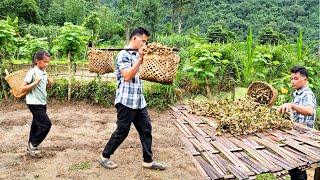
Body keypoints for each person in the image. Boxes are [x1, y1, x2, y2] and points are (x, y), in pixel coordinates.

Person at [98, 27, 165, 170]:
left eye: (146, 42)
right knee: (122, 131)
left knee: (146, 129)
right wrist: (140, 58)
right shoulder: (123, 54)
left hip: (139, 101)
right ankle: (104, 156)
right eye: (143, 41)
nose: (145, 45)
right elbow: (127, 76)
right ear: (135, 38)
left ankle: (148, 161)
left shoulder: (139, 54)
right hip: (126, 101)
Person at [279, 66, 316, 180]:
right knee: (294, 168)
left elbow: (309, 111)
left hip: (304, 137)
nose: (292, 82)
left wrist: (292, 105)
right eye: (291, 79)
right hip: (296, 136)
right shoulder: (297, 93)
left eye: (296, 79)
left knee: (299, 169)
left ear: (305, 79)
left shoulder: (307, 94)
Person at [21, 50, 53, 157]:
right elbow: (22, 88)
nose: (46, 64)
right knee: (46, 124)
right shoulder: (32, 72)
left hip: (42, 102)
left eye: (48, 62)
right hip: (33, 103)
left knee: (35, 125)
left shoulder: (44, 72)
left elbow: (45, 88)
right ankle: (33, 144)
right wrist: (35, 82)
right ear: (37, 61)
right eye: (44, 62)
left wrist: (49, 83)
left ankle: (30, 146)